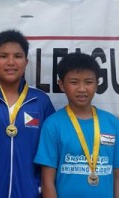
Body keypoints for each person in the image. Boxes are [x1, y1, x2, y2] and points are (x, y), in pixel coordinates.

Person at [0, 29, 55, 198]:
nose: (11, 62)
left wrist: (36, 187)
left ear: (26, 61)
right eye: (3, 56)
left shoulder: (41, 101)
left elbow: (51, 152)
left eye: (18, 56)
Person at [34, 52, 119, 198]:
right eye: (74, 82)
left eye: (88, 82)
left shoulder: (112, 123)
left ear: (97, 84)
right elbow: (47, 181)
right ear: (61, 85)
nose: (82, 89)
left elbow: (117, 176)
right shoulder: (53, 125)